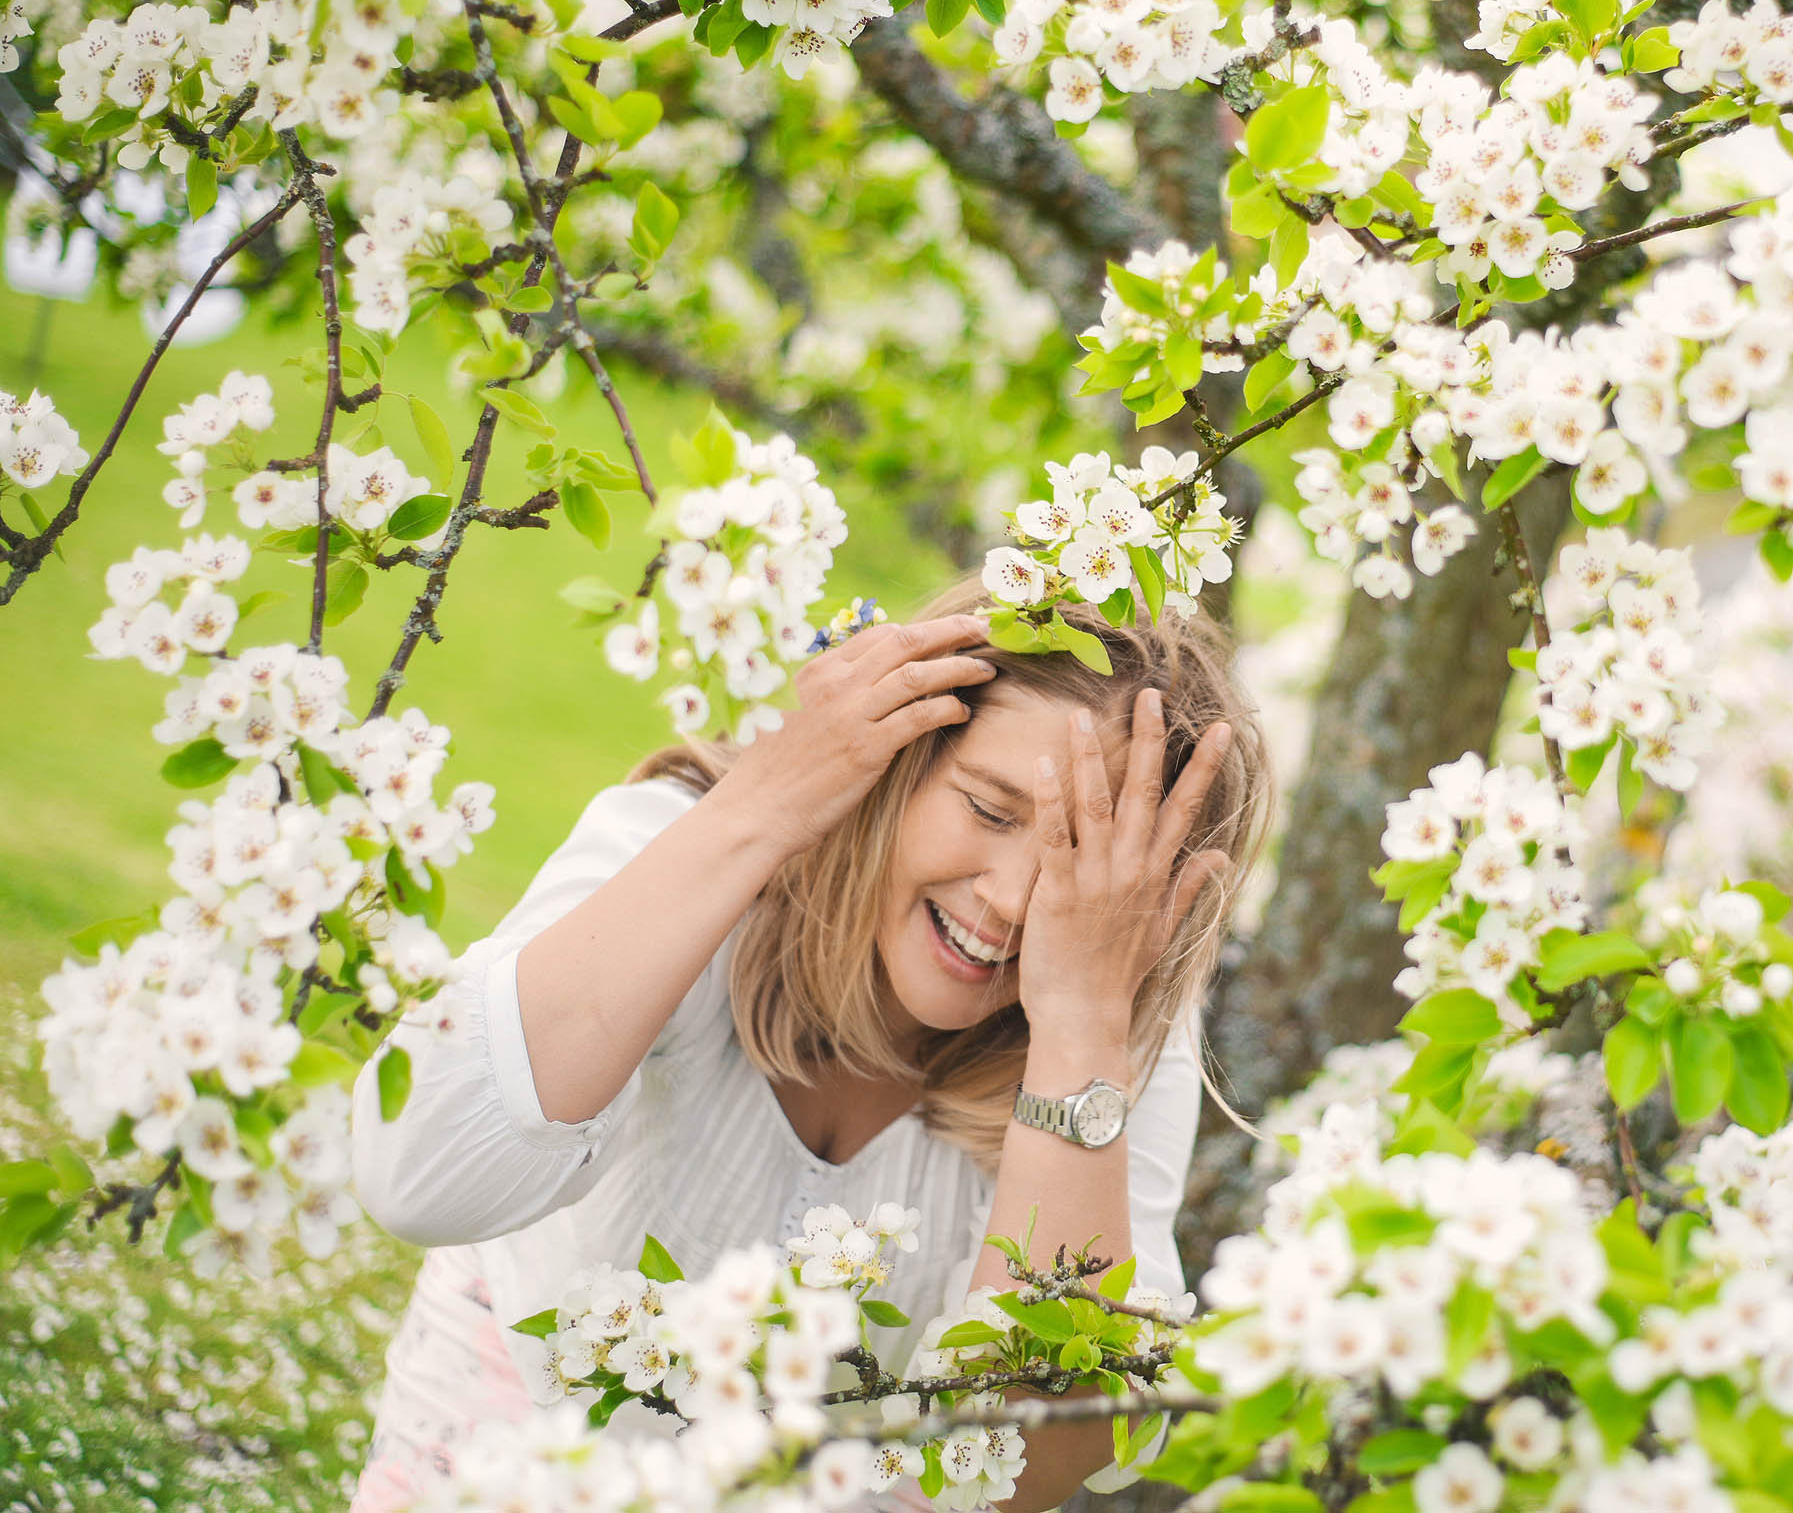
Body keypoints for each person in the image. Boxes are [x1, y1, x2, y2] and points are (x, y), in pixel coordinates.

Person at [345, 573, 1275, 1511]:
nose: (1010, 899)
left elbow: (1010, 1468)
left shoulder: (1108, 1024)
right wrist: (764, 807)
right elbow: (418, 1173)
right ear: (901, 756)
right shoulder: (686, 842)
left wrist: (1079, 1029)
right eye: (990, 811)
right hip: (509, 1454)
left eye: (1082, 871)